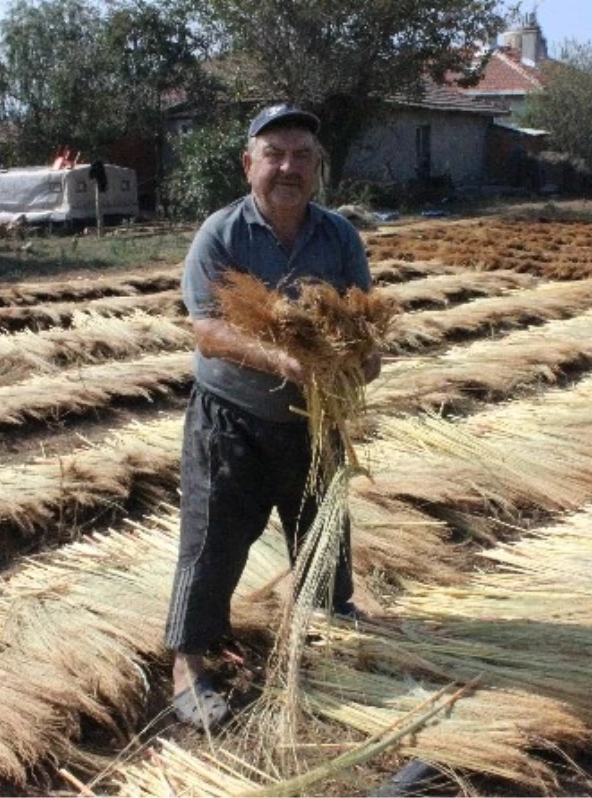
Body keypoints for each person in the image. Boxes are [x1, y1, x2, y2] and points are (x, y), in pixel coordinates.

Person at [164, 103, 381, 731]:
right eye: (275, 154)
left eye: (302, 157)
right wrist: (285, 362)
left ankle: (327, 620)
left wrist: (364, 359)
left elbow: (361, 320)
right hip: (230, 416)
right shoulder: (222, 235)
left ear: (317, 167)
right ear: (249, 164)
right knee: (212, 539)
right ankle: (189, 662)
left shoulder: (337, 235)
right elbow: (207, 330)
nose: (289, 167)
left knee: (322, 526)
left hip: (313, 419)